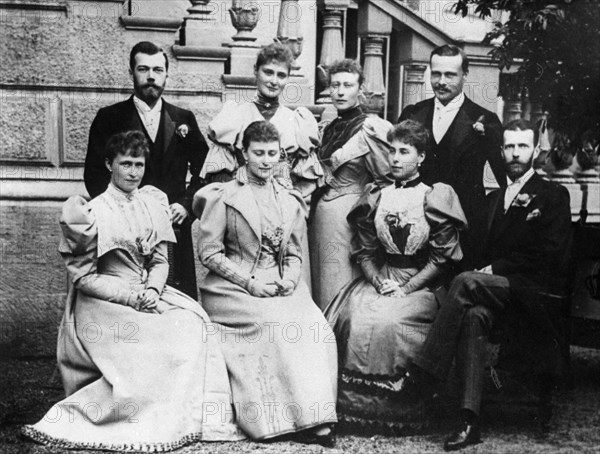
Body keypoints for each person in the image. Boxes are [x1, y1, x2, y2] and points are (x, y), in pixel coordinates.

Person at [22, 131, 243, 451]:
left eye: (139, 164)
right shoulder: (90, 213)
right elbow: (83, 278)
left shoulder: (151, 204)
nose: (133, 171)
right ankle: (136, 420)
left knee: (193, 327)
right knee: (144, 340)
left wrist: (152, 289)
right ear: (109, 164)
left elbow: (159, 261)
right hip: (102, 300)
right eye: (125, 163)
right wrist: (129, 297)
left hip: (146, 291)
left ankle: (183, 418)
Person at [405, 119, 572, 451]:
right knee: (473, 315)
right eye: (509, 146)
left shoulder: (552, 195)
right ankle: (470, 421)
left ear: (535, 151)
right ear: (501, 150)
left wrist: (494, 268)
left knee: (467, 282)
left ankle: (425, 373)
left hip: (534, 292)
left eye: (523, 146)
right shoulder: (491, 200)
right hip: (493, 292)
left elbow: (552, 254)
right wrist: (482, 269)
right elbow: (475, 251)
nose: (515, 153)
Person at [193, 121, 337, 445]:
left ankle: (316, 419)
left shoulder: (288, 199)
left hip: (279, 283)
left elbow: (295, 253)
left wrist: (289, 279)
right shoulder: (224, 196)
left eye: (272, 153)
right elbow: (210, 253)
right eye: (258, 153)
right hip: (232, 288)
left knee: (316, 326)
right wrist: (249, 282)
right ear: (244, 153)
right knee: (272, 323)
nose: (266, 161)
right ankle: (274, 421)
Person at [324, 120, 467, 430]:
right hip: (382, 276)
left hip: (421, 282)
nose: (396, 158)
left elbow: (442, 258)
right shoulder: (376, 194)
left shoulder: (435, 196)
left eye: (405, 151)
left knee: (391, 322)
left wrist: (407, 288)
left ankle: (399, 410)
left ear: (421, 158)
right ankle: (354, 411)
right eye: (392, 151)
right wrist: (377, 280)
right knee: (353, 316)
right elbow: (364, 250)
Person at [84, 41, 207, 299]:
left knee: (176, 305)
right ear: (131, 73)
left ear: (166, 74)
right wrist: (122, 213)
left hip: (173, 227)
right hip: (125, 232)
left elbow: (206, 170)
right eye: (143, 69)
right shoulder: (109, 118)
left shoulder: (183, 119)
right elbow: (94, 174)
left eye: (158, 70)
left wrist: (186, 205)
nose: (151, 76)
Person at [201, 42, 322, 288]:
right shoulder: (236, 114)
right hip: (244, 206)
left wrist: (291, 203)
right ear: (256, 71)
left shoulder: (296, 120)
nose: (274, 81)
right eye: (268, 72)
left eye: (281, 75)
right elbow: (218, 175)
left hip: (281, 208)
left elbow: (305, 178)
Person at [399, 44, 505, 268]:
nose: (442, 81)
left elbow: (502, 181)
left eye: (450, 74)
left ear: (465, 74)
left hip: (464, 230)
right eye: (436, 73)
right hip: (416, 226)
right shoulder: (412, 114)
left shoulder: (485, 120)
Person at [310, 59, 393, 309]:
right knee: (320, 285)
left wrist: (369, 220)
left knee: (339, 287)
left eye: (348, 84)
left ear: (360, 88)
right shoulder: (329, 127)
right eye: (335, 85)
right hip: (320, 218)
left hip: (349, 220)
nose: (340, 91)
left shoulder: (371, 128)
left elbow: (386, 180)